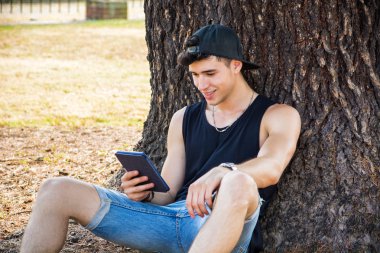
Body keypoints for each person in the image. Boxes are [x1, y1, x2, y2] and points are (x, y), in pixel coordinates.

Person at [20, 24, 301, 253]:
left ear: (236, 66)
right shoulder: (183, 118)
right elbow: (166, 194)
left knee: (239, 182)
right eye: (195, 75)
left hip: (220, 229)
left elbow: (272, 167)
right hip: (166, 222)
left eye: (210, 73)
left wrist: (224, 171)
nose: (202, 85)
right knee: (56, 189)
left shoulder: (277, 115)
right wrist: (143, 192)